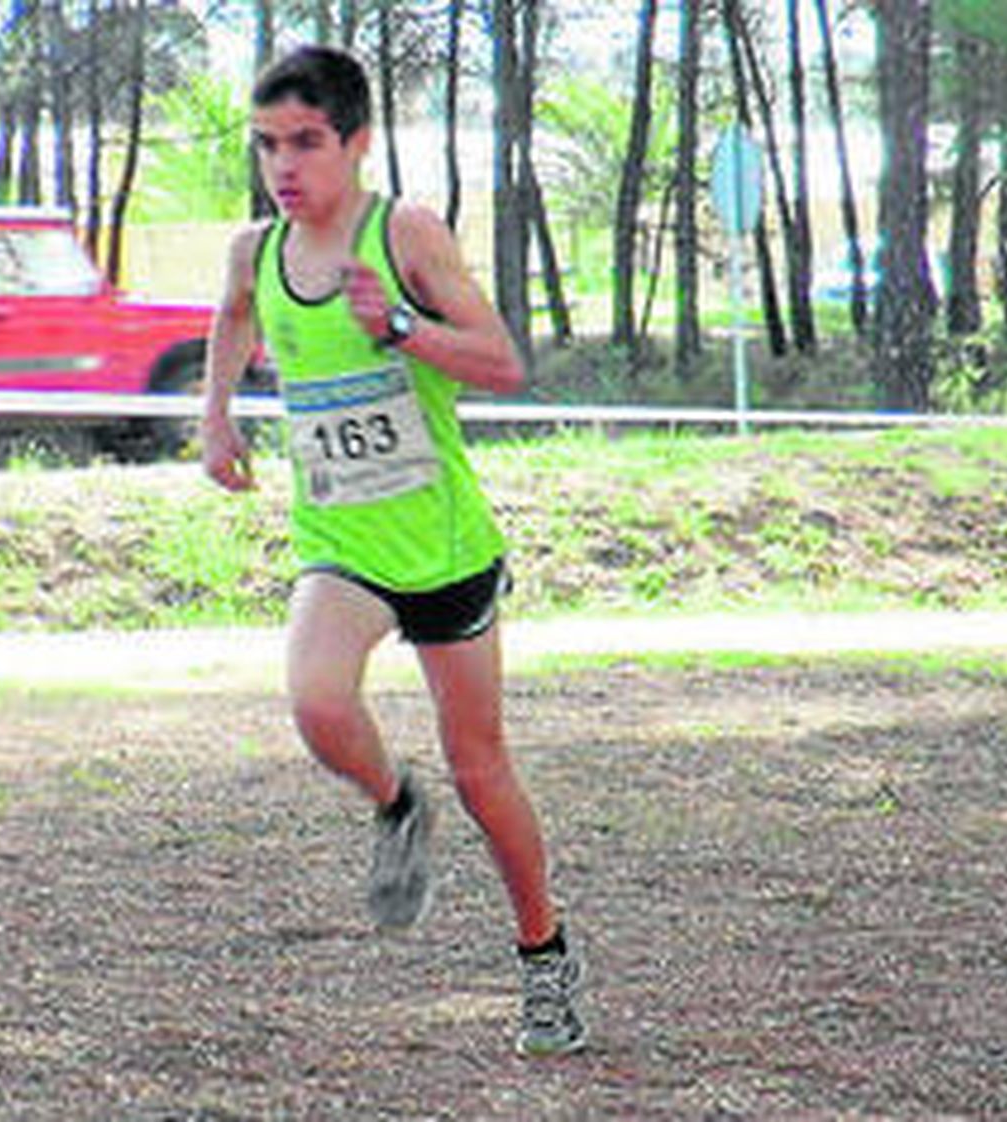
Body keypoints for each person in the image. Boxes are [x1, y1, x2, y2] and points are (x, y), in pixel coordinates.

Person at [201, 45, 586, 1057]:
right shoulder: (254, 251)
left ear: (357, 142)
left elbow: (502, 364)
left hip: (443, 546)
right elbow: (232, 319)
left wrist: (402, 325)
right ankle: (396, 804)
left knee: (482, 769)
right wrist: (215, 418)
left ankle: (543, 955)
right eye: (267, 145)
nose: (284, 166)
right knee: (317, 702)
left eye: (306, 143)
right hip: (342, 544)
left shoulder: (404, 232)